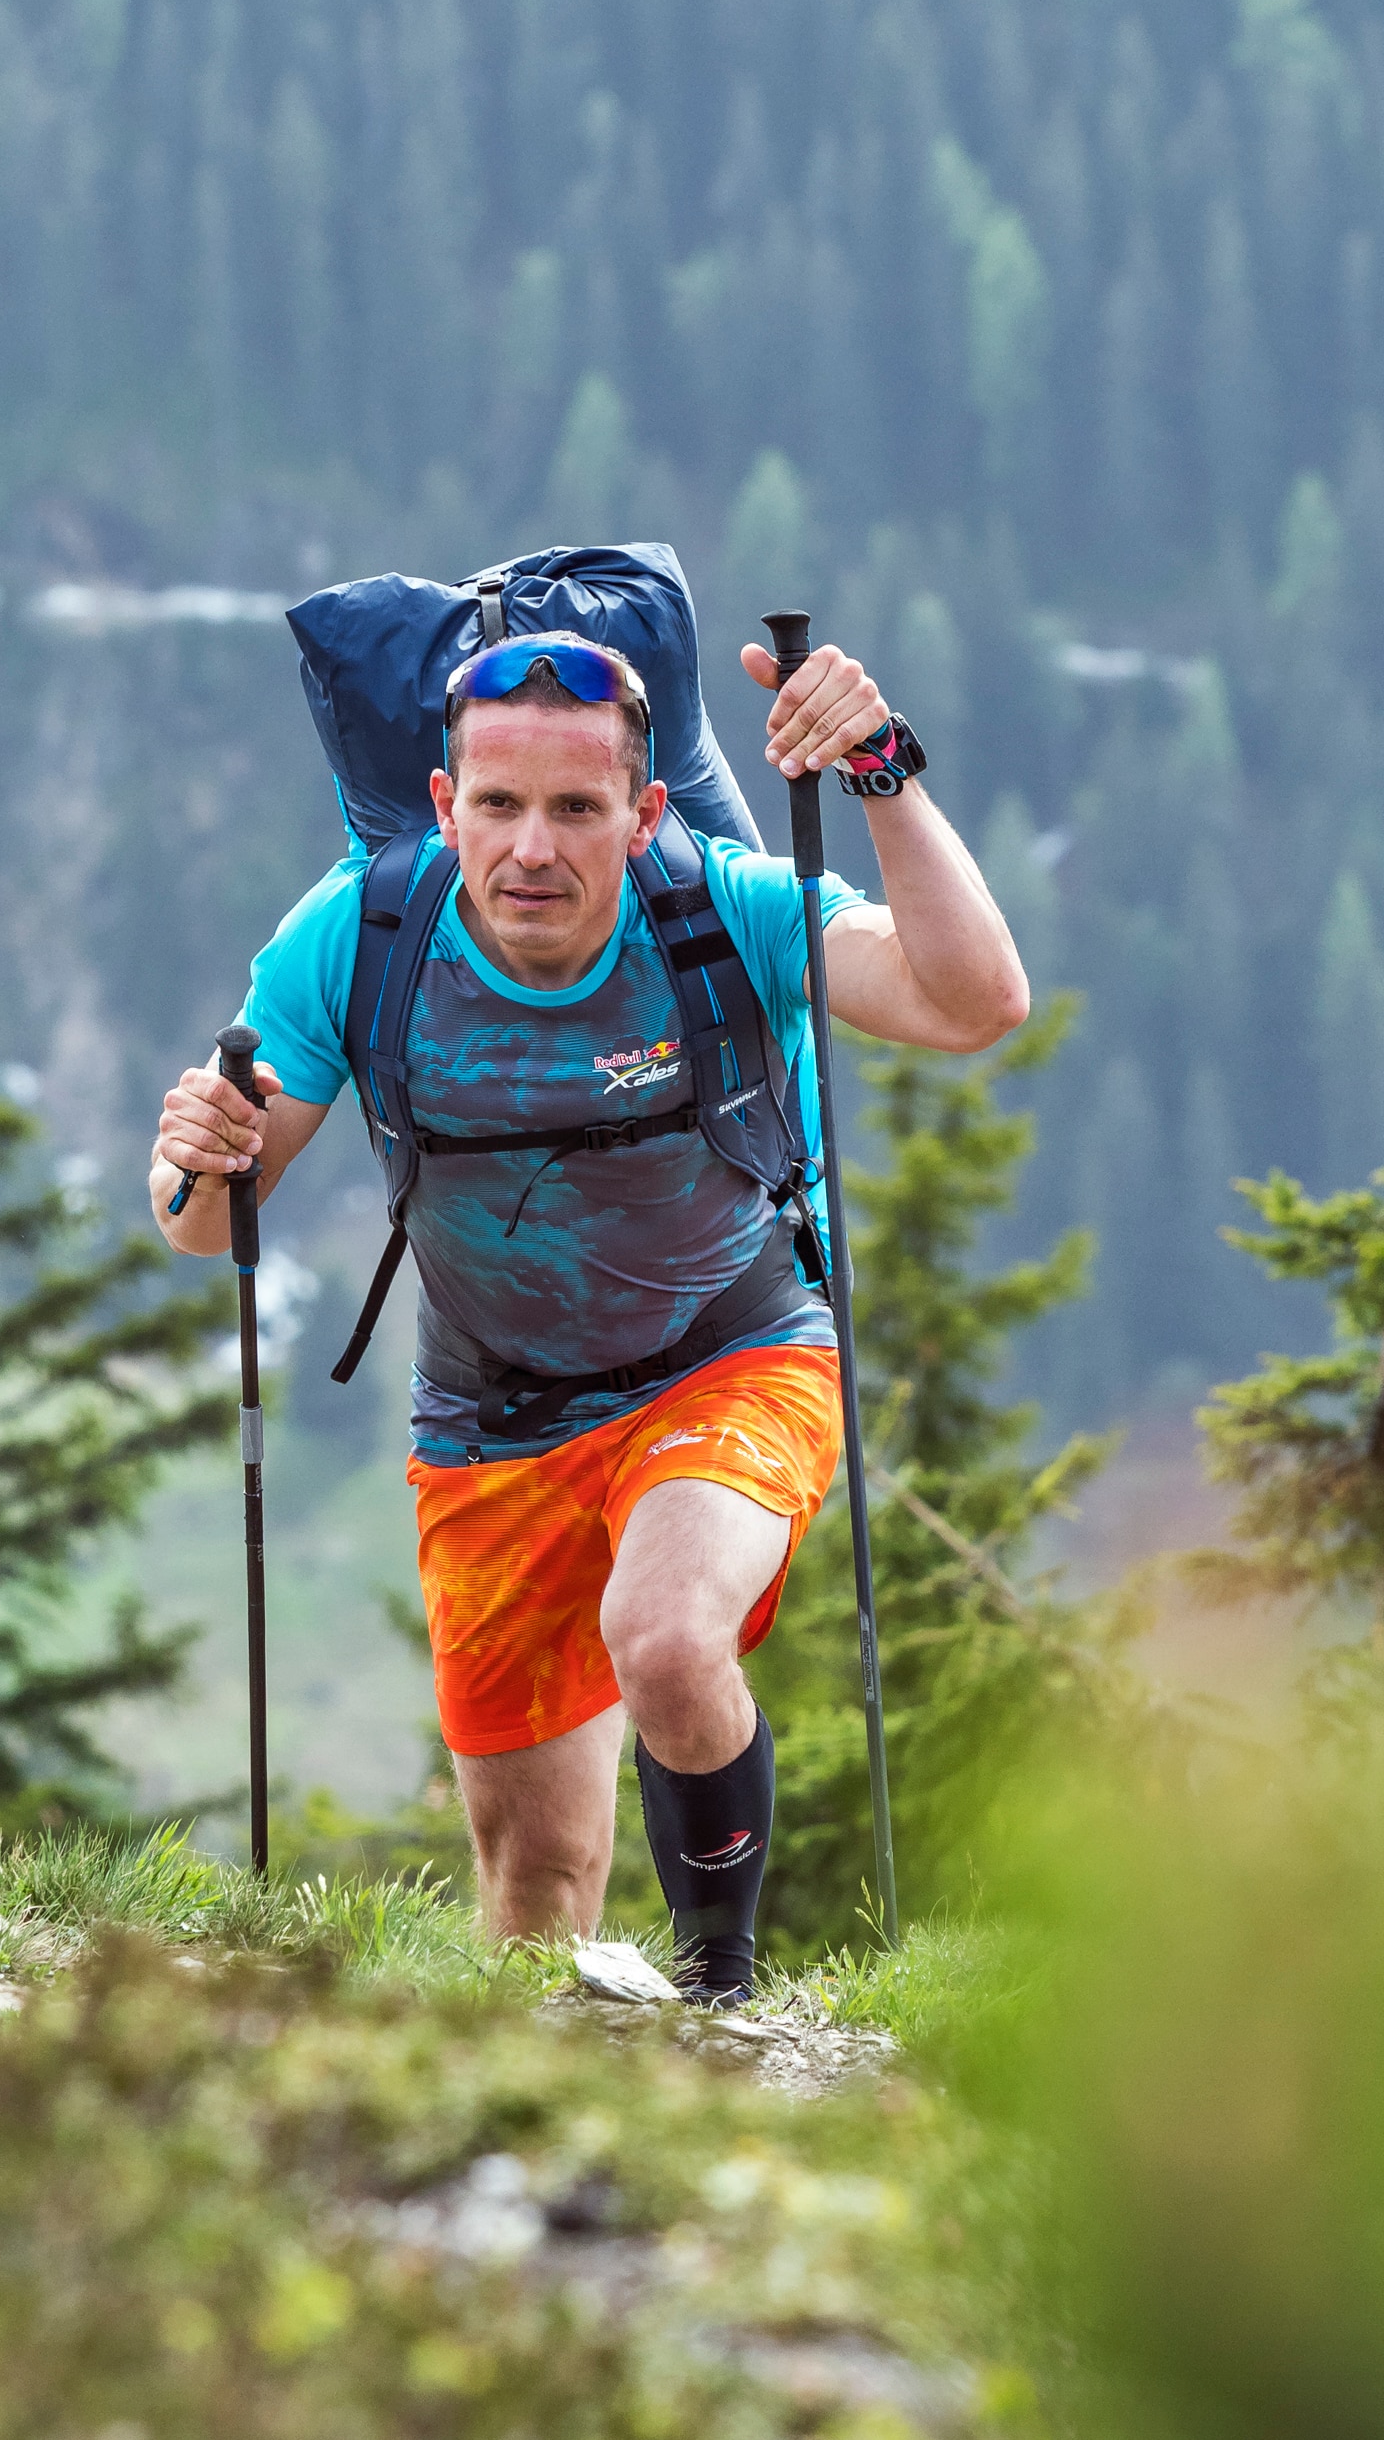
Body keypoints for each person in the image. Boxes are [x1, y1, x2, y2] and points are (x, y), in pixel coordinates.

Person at [148, 625, 1029, 1995]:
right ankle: (571, 2130)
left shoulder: (719, 907)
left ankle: (717, 1994)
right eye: (496, 806)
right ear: (444, 807)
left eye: (574, 808)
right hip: (487, 1423)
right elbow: (213, 1225)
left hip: (730, 1360)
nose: (531, 849)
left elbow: (975, 1004)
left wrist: (875, 767)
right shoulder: (364, 934)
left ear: (643, 810)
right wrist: (194, 1152)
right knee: (533, 1885)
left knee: (670, 1637)